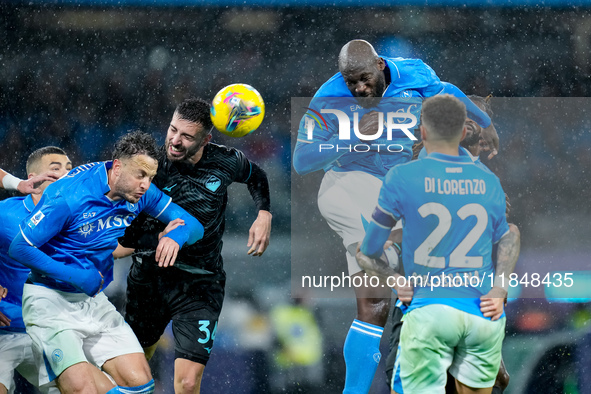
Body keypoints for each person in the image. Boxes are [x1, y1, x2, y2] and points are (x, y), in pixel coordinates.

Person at [292, 39, 498, 393]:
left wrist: (484, 120)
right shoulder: (329, 97)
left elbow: (446, 90)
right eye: (350, 81)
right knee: (375, 297)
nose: (357, 88)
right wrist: (354, 135)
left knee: (402, 298)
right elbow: (301, 159)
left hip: (395, 191)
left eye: (363, 79)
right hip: (348, 184)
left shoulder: (415, 72)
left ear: (380, 65)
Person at [8, 131, 204, 394]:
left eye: (151, 177)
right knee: (82, 390)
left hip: (93, 301)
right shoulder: (70, 196)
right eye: (141, 175)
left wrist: (176, 239)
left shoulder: (139, 191)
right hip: (50, 302)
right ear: (118, 167)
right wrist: (74, 276)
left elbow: (193, 224)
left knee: (141, 386)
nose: (146, 185)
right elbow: (19, 247)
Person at [358, 95, 520, 393]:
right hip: (461, 308)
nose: (474, 122)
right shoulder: (481, 180)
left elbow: (371, 247)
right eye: (469, 116)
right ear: (461, 130)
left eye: (480, 118)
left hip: (434, 308)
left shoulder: (473, 175)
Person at [117, 97, 272, 393]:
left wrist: (264, 213)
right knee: (136, 369)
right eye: (173, 130)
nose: (174, 140)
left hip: (200, 284)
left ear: (206, 139)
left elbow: (257, 176)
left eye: (186, 136)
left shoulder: (226, 160)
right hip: (151, 277)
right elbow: (125, 225)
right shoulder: (150, 165)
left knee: (188, 383)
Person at [0, 146, 72, 394]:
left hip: (50, 330)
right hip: (5, 329)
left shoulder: (77, 215)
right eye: (55, 169)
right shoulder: (6, 213)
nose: (65, 174)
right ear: (33, 178)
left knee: (82, 388)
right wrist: (15, 183)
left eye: (69, 169)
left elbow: (114, 247)